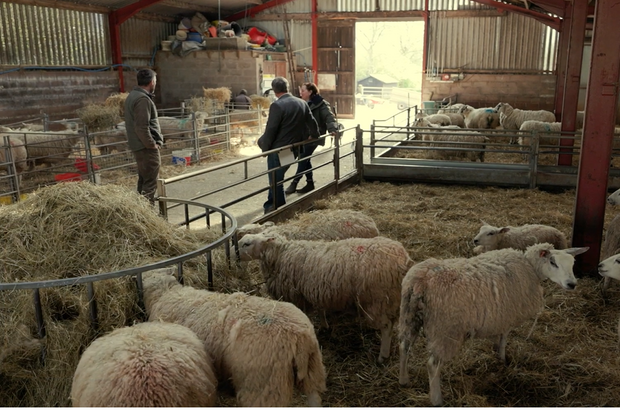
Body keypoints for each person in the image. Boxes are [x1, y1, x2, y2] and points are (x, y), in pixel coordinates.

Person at [257, 77, 320, 214]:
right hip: (295, 148)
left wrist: (265, 149)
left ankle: (278, 207)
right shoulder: (302, 103)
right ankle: (270, 204)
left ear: (274, 90)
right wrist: (314, 135)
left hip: (280, 149)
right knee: (278, 176)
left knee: (275, 178)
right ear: (288, 87)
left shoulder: (277, 105)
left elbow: (271, 129)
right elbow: (313, 123)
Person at [285, 82, 339, 195]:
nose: (301, 93)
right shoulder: (301, 103)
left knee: (303, 158)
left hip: (314, 136)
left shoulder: (321, 104)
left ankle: (294, 183)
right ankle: (310, 183)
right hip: (303, 136)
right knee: (305, 159)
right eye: (300, 91)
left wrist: (332, 128)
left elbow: (329, 117)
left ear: (310, 92)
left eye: (303, 91)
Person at [124, 68, 164, 205]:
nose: (155, 84)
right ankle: (147, 215)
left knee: (143, 180)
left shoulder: (133, 95)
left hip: (139, 146)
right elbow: (141, 127)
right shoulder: (142, 100)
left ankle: (140, 213)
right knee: (150, 184)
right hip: (145, 148)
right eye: (155, 81)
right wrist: (152, 145)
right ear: (152, 82)